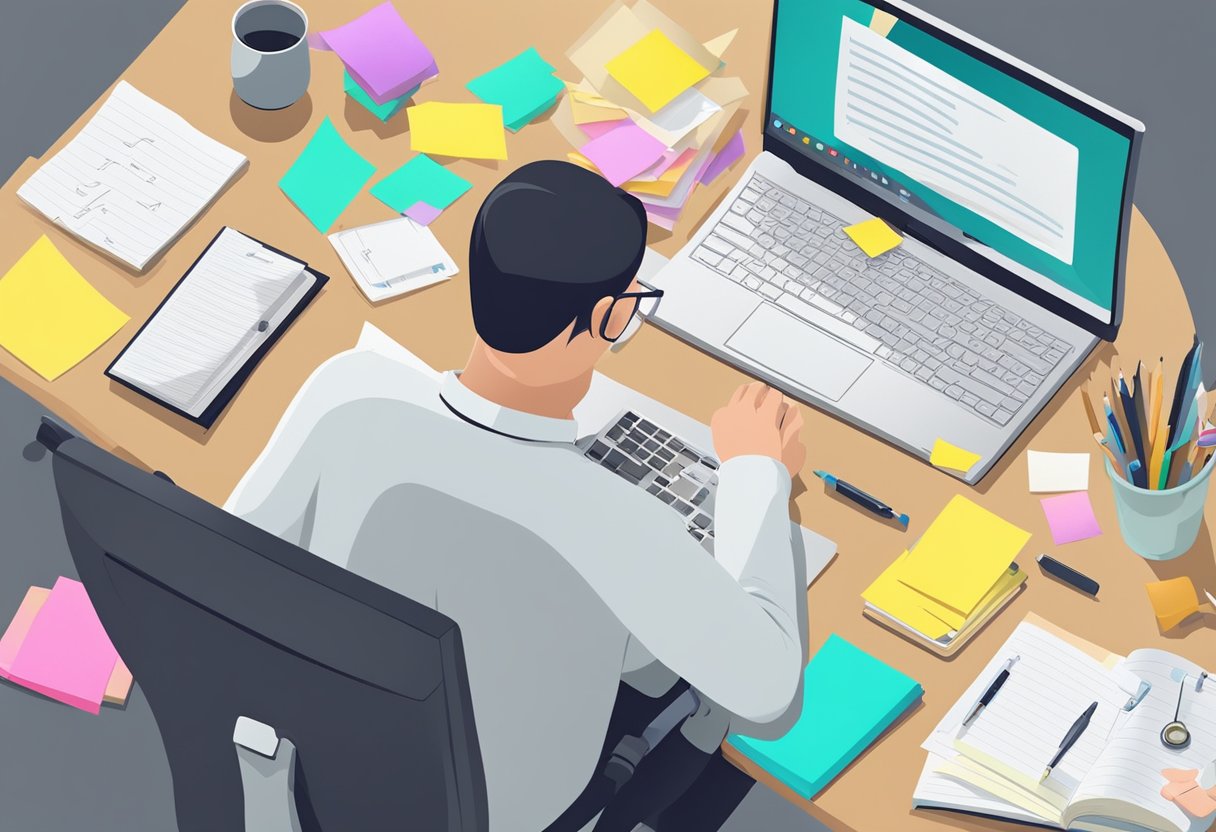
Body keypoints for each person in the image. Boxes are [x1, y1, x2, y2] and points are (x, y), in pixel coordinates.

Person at [225, 160, 808, 831]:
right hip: (508, 815)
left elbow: (228, 562)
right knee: (693, 699)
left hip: (324, 792)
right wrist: (756, 472)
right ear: (608, 317)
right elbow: (768, 693)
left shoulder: (346, 390)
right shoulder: (620, 522)